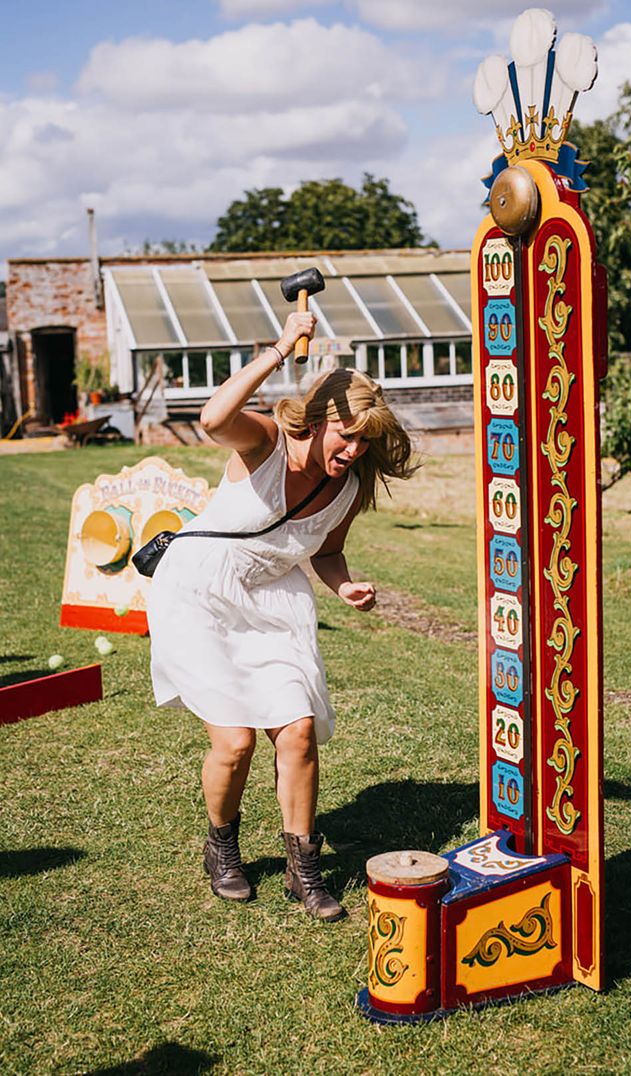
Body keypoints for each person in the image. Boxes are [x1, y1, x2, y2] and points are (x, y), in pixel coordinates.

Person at [146, 312, 416, 921]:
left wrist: (344, 587)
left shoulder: (348, 487)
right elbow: (212, 419)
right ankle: (221, 847)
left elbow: (327, 549)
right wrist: (276, 348)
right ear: (318, 420)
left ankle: (303, 867)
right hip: (200, 591)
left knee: (295, 731)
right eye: (346, 435)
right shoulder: (266, 441)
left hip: (271, 599)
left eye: (366, 441)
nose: (354, 449)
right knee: (236, 741)